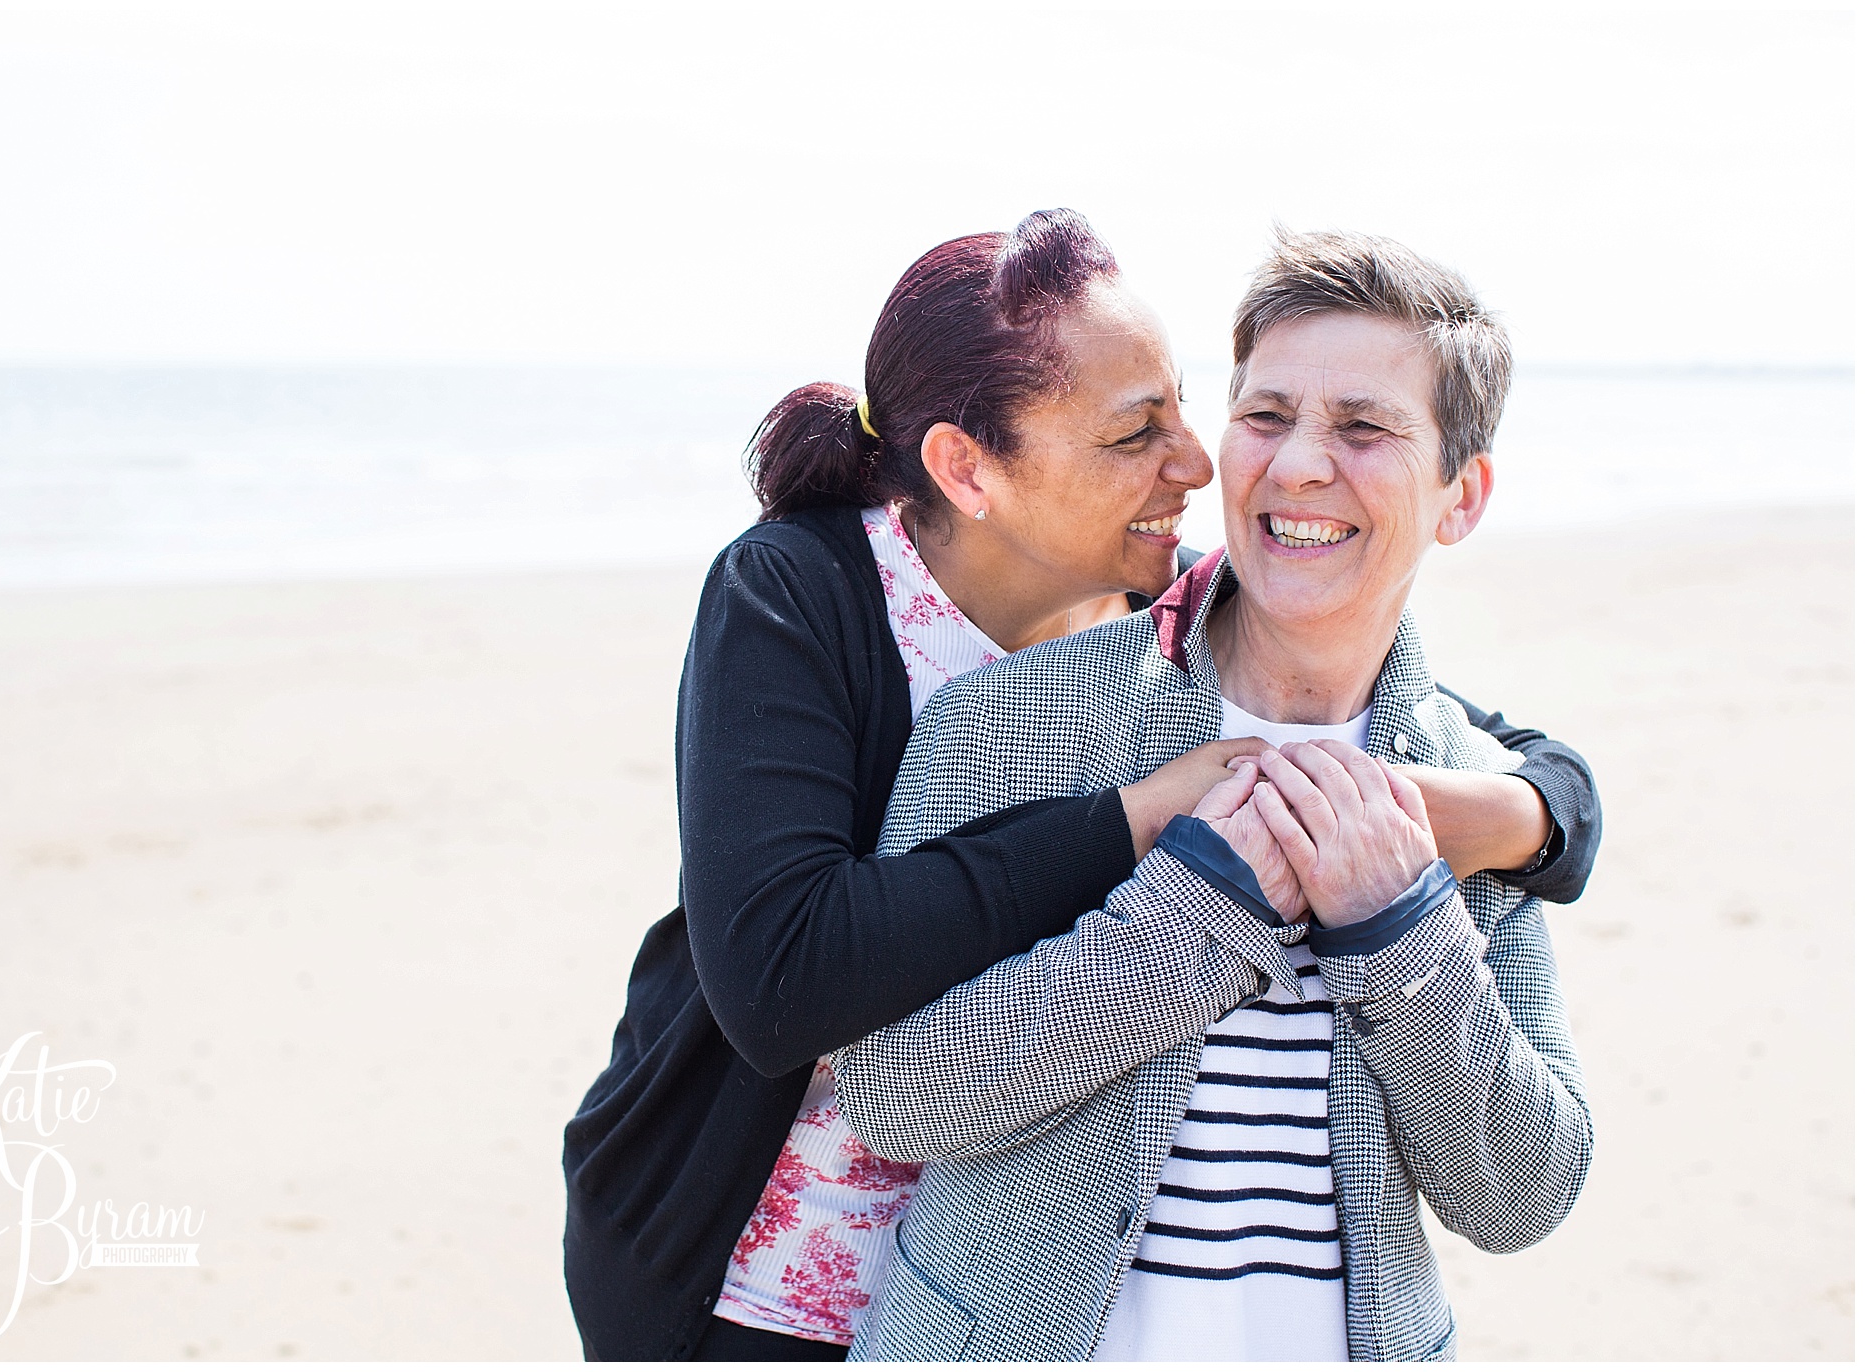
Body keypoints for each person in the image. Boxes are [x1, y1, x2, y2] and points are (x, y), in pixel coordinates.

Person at [562, 212, 1601, 1362]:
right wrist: (1154, 842)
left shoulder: (1160, 608)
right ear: (968, 470)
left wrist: (1527, 813)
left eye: (1183, 410)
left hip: (979, 1266)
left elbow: (1379, 682)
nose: (1205, 464)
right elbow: (785, 983)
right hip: (752, 1252)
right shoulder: (821, 605)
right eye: (1135, 433)